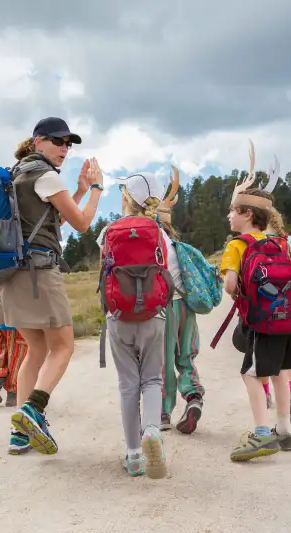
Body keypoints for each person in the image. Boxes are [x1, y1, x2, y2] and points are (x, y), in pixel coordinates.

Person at [0, 117, 103, 456]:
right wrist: (98, 190)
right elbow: (82, 223)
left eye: (69, 143)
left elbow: (49, 220)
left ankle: (20, 433)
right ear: (38, 140)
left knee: (36, 350)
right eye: (58, 141)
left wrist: (80, 192)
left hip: (12, 274)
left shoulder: (17, 175)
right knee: (63, 346)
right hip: (40, 272)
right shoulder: (45, 175)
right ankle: (33, 409)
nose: (64, 148)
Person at [219, 188, 291, 461]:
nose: (230, 216)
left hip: (263, 323)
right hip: (289, 321)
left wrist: (236, 291)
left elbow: (230, 285)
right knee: (279, 372)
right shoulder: (281, 243)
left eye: (234, 211)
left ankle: (261, 433)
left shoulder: (236, 245)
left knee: (251, 374)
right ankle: (283, 432)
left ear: (247, 214)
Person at [98, 172, 174, 478]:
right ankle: (152, 430)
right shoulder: (159, 232)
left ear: (127, 197)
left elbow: (103, 273)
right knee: (152, 380)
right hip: (153, 317)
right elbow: (166, 273)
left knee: (128, 385)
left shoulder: (107, 231)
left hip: (119, 317)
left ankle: (133, 456)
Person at [155, 185, 205, 435]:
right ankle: (193, 396)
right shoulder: (175, 243)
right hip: (185, 304)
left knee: (163, 360)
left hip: (163, 307)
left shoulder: (151, 239)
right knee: (186, 355)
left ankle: (163, 412)